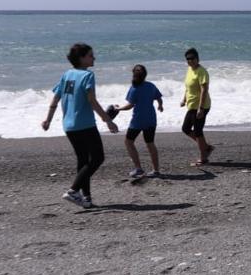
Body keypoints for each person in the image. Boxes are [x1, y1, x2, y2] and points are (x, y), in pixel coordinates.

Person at [41, 43, 119, 208]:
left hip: (69, 126)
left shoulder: (67, 74)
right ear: (81, 58)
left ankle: (86, 198)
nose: (94, 57)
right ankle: (73, 191)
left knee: (83, 161)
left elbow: (55, 99)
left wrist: (48, 120)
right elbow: (92, 101)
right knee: (98, 158)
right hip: (85, 125)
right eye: (90, 55)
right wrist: (108, 120)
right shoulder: (87, 76)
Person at [115, 64, 163, 178]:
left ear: (134, 75)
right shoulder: (151, 86)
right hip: (151, 119)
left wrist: (119, 108)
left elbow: (130, 105)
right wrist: (160, 106)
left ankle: (138, 168)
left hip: (138, 121)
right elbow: (158, 97)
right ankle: (156, 170)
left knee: (128, 142)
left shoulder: (134, 88)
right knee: (150, 144)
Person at [181, 47, 214, 166]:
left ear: (197, 58)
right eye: (188, 59)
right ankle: (206, 147)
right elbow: (188, 87)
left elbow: (204, 90)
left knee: (198, 131)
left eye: (192, 58)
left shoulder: (202, 72)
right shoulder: (190, 70)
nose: (190, 61)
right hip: (191, 105)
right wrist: (184, 99)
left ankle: (203, 157)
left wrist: (201, 108)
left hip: (201, 106)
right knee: (185, 129)